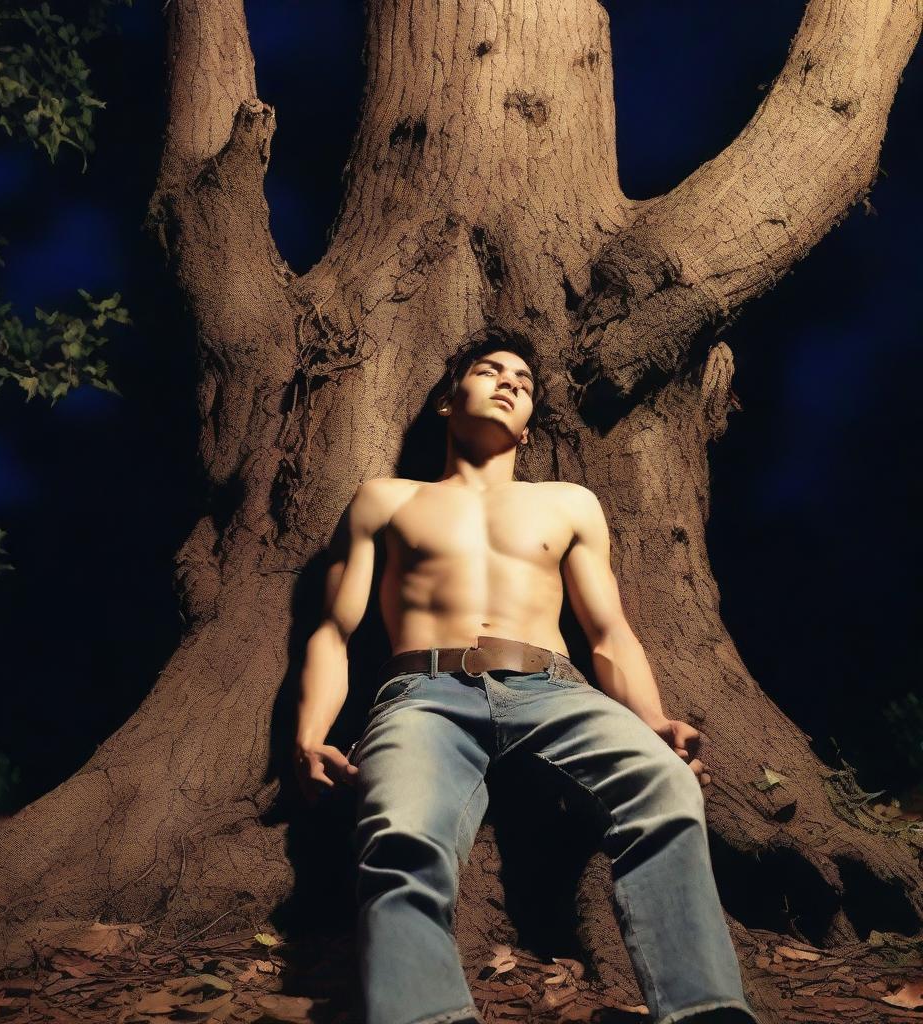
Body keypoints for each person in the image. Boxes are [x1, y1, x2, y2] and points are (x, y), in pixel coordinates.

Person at [293, 328, 759, 1024]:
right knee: (400, 832)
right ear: (450, 401)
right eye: (490, 371)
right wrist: (310, 735)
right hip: (422, 695)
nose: (511, 382)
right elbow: (334, 630)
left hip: (553, 689)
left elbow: (609, 635)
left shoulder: (568, 503)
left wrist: (655, 721)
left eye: (524, 380)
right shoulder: (385, 499)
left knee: (665, 787)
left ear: (531, 415)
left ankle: (704, 1012)